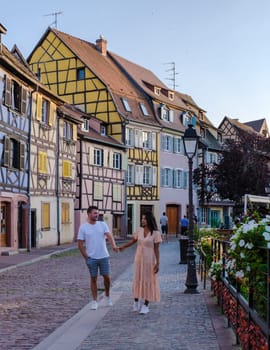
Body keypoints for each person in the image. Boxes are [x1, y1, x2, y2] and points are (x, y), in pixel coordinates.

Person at [118, 211, 162, 315]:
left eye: (145, 219)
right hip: (138, 260)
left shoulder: (156, 233)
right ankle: (136, 302)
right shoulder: (139, 230)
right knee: (137, 279)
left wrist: (158, 263)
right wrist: (123, 247)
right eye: (142, 218)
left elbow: (157, 249)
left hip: (149, 261)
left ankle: (146, 305)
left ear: (149, 220)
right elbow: (132, 241)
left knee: (148, 280)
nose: (142, 220)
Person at [77, 205, 119, 310]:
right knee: (93, 279)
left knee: (107, 278)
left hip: (104, 256)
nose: (97, 215)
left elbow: (109, 236)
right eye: (95, 213)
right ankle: (95, 301)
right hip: (92, 258)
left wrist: (113, 246)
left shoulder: (102, 224)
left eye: (97, 213)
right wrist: (86, 257)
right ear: (89, 214)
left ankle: (108, 296)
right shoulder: (83, 227)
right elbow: (80, 244)